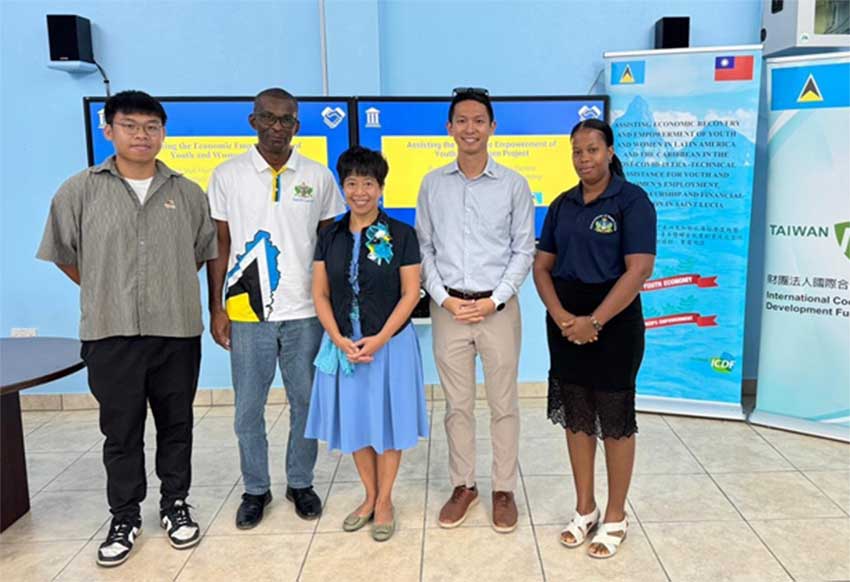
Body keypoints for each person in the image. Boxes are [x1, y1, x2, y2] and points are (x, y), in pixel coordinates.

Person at [36, 91, 217, 567]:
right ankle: (124, 515)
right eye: (131, 125)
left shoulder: (187, 192)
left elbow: (199, 254)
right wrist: (106, 289)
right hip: (110, 332)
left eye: (151, 126)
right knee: (121, 431)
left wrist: (161, 291)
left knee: (177, 425)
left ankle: (175, 505)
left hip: (175, 330)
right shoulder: (79, 190)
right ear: (108, 129)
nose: (142, 135)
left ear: (163, 132)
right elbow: (65, 255)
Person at [206, 88, 346, 529]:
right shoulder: (227, 175)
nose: (276, 127)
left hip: (305, 311)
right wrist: (217, 307)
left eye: (286, 120)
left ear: (297, 127)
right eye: (268, 118)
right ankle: (255, 489)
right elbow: (220, 245)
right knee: (249, 406)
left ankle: (300, 482)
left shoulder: (318, 175)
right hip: (247, 312)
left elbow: (329, 245)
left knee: (306, 402)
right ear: (253, 121)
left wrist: (332, 307)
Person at [533, 118, 656, 559]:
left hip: (615, 323)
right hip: (565, 322)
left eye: (592, 150)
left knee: (615, 420)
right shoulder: (563, 205)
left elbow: (639, 269)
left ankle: (616, 516)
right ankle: (585, 508)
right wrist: (564, 316)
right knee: (576, 415)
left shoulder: (632, 201)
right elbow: (541, 266)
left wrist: (595, 321)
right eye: (577, 151)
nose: (584, 159)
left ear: (608, 152)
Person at [415, 87, 535, 533]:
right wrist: (444, 299)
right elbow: (424, 248)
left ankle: (503, 488)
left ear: (492, 128)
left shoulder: (514, 185)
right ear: (449, 128)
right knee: (457, 406)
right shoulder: (432, 183)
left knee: (503, 404)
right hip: (448, 308)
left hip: (497, 309)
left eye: (478, 120)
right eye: (461, 120)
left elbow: (523, 251)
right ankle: (463, 485)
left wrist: (494, 299)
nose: (470, 128)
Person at [305, 146, 428, 542]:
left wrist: (379, 337)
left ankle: (387, 499)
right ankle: (369, 496)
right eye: (352, 183)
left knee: (389, 423)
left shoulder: (402, 235)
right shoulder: (330, 237)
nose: (360, 191)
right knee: (357, 421)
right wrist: (339, 338)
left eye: (368, 183)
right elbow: (320, 294)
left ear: (381, 188)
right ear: (342, 187)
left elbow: (411, 294)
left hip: (390, 343)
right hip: (345, 346)